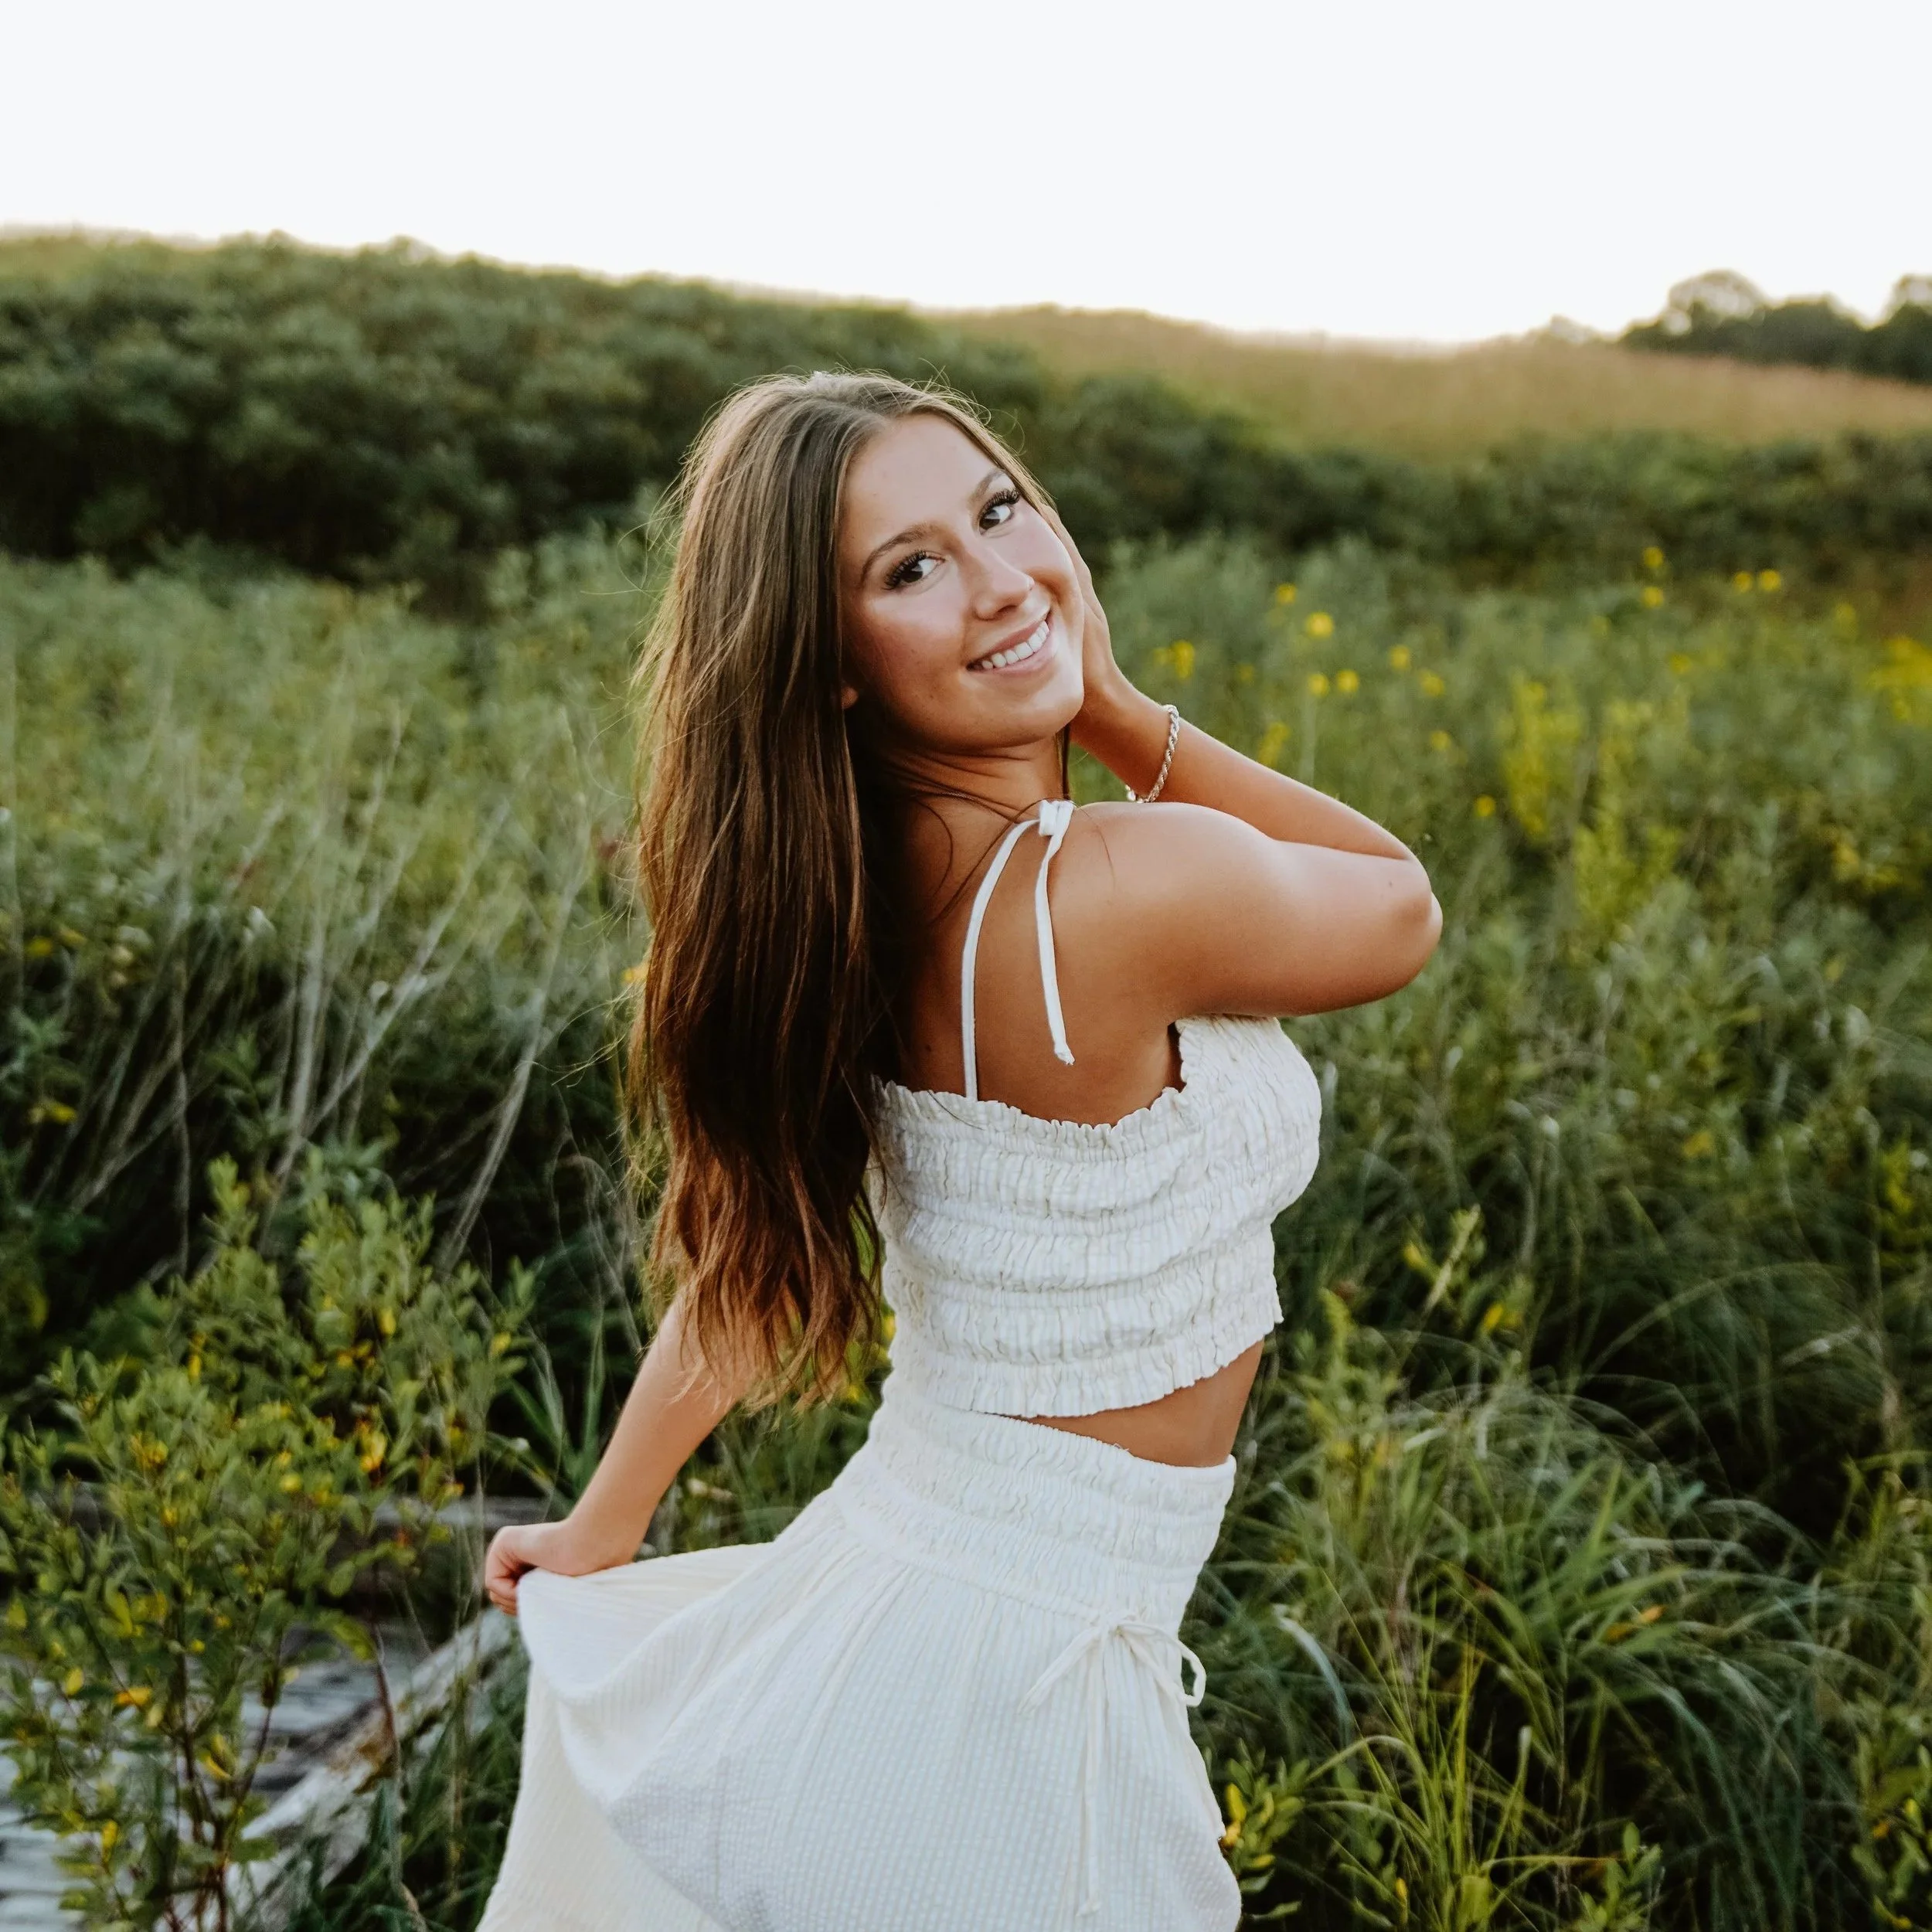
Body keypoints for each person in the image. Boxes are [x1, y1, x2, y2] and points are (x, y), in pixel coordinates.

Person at [476, 370, 1441, 1932]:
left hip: (914, 1602)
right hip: (1008, 1698)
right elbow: (1396, 900)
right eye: (908, 568)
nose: (1000, 580)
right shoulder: (1115, 882)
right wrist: (1121, 712)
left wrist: (603, 1526)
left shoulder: (845, 903)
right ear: (833, 662)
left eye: (998, 511)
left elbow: (753, 1266)